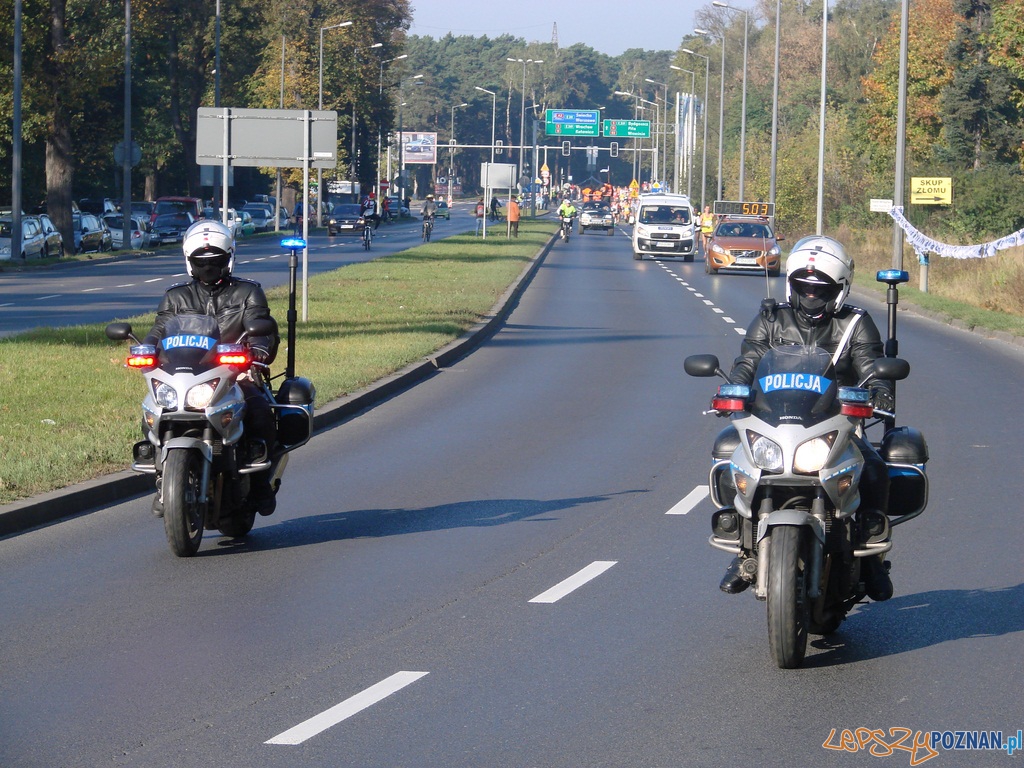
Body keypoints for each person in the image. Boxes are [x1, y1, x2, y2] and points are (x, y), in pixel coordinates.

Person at [720, 236, 894, 600]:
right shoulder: (771, 318)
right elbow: (749, 360)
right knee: (728, 456)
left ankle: (873, 553)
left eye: (821, 289)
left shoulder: (856, 324)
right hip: (772, 421)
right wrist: (731, 388)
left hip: (836, 423)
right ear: (791, 284)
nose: (811, 295)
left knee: (876, 469)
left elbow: (872, 369)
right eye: (803, 287)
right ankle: (741, 547)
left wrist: (879, 392)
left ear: (840, 289)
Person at [143, 220, 281, 517]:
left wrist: (257, 350)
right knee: (152, 410)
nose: (208, 268)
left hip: (234, 371)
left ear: (228, 259)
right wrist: (145, 349)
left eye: (215, 261)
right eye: (201, 262)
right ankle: (161, 478)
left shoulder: (248, 293)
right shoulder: (175, 297)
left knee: (258, 409)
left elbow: (262, 328)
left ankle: (259, 483)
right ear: (189, 262)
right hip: (184, 372)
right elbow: (158, 330)